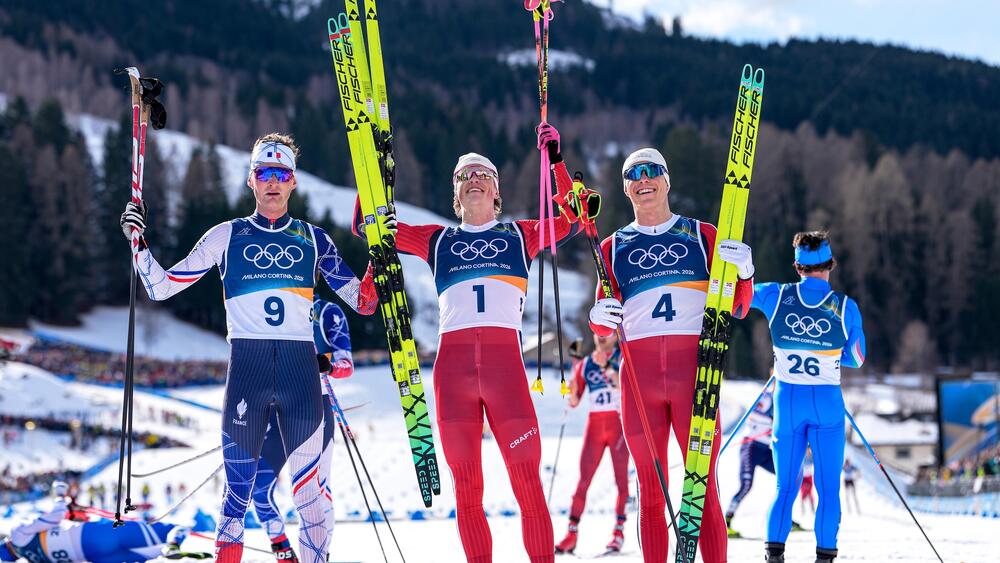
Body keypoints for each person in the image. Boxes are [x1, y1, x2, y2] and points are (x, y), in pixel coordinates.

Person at [120, 133, 378, 563]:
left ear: (293, 182)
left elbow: (363, 301)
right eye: (264, 173)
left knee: (311, 499)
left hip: (300, 380)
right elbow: (161, 287)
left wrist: (379, 252)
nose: (273, 182)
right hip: (247, 375)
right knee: (234, 504)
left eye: (281, 174)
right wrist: (137, 241)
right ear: (251, 181)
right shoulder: (226, 236)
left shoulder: (315, 239)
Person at [357, 123, 576, 562]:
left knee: (528, 485)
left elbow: (571, 219)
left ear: (497, 192)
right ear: (455, 195)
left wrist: (556, 162)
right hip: (452, 375)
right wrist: (375, 171)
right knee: (468, 490)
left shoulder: (521, 234)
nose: (473, 179)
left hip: (506, 374)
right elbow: (368, 226)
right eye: (464, 176)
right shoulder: (437, 240)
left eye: (483, 174)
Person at [587, 147, 755, 563]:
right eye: (633, 175)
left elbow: (737, 305)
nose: (644, 180)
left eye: (652, 171)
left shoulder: (702, 235)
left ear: (667, 179)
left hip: (694, 378)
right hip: (638, 382)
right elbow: (605, 325)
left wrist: (746, 272)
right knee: (649, 487)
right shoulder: (612, 246)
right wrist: (596, 319)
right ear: (626, 188)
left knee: (702, 485)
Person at [750, 231, 866, 563]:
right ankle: (824, 557)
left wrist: (741, 271)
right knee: (828, 490)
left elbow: (737, 301)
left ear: (797, 265)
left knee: (785, 488)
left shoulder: (776, 295)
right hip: (827, 404)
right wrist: (831, 354)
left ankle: (775, 556)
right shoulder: (846, 307)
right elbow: (857, 356)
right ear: (830, 264)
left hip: (787, 404)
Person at [251, 297, 354, 562]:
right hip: (275, 409)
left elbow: (346, 364)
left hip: (314, 404)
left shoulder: (326, 312)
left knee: (317, 493)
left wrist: (329, 366)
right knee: (258, 487)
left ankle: (320, 555)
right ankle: (283, 552)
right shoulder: (265, 303)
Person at [0, 481, 207, 562]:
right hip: (91, 536)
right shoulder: (18, 535)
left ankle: (165, 552)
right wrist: (60, 496)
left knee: (148, 557)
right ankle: (173, 540)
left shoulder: (33, 560)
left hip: (94, 556)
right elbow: (55, 516)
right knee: (169, 529)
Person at [555, 331, 630, 555]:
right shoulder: (585, 363)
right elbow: (574, 401)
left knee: (621, 481)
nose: (601, 337)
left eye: (606, 333)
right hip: (595, 425)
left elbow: (623, 386)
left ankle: (618, 532)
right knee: (583, 480)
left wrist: (607, 367)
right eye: (598, 334)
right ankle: (571, 533)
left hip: (618, 424)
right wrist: (571, 390)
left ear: (615, 336)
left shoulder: (622, 357)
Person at [725, 378, 777, 538]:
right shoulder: (766, 396)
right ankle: (727, 521)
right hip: (751, 447)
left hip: (765, 450)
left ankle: (783, 517)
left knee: (787, 478)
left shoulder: (782, 398)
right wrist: (773, 423)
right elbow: (753, 417)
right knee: (746, 485)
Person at [799, 449, 816, 516]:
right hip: (802, 477)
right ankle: (803, 507)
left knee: (809, 492)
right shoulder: (802, 457)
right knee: (803, 492)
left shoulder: (811, 457)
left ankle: (812, 507)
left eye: (809, 450)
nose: (808, 452)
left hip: (809, 476)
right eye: (806, 450)